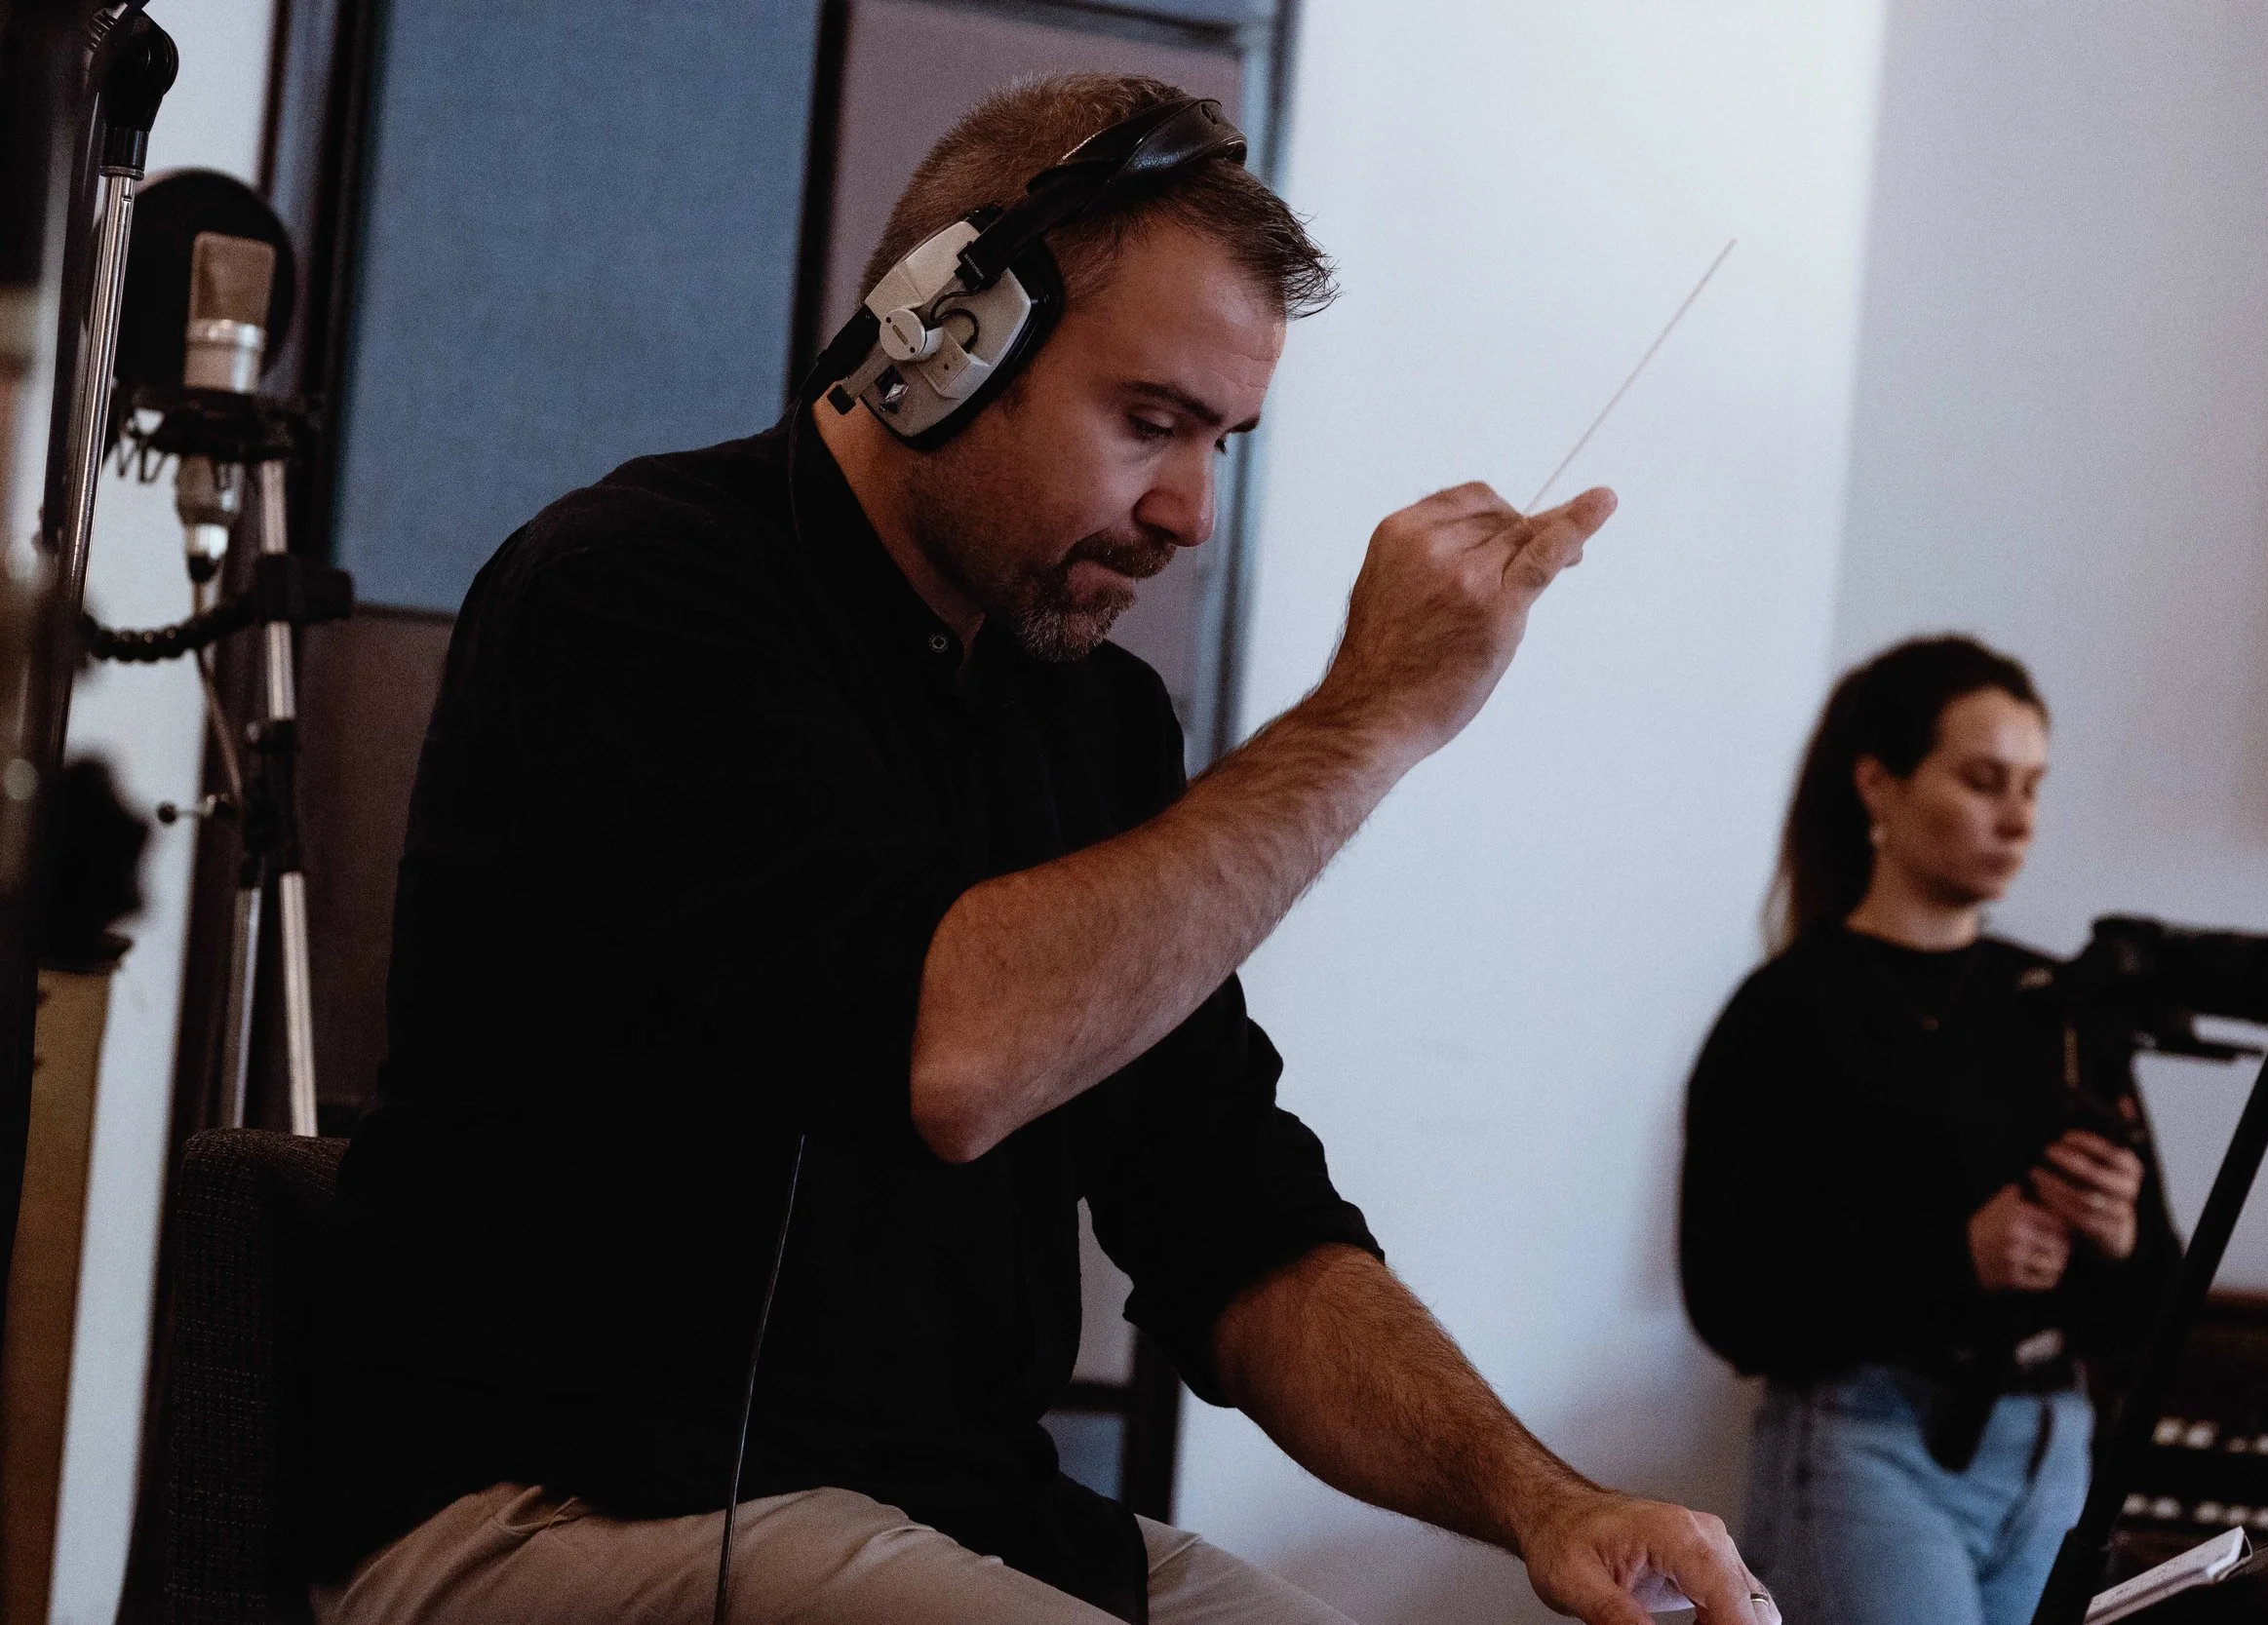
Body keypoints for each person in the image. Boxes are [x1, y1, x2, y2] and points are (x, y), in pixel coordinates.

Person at [306, 73, 1770, 1625]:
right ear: (937, 346)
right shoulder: (629, 596)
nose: (1194, 511)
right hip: (561, 1512)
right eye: (1151, 423)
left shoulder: (1097, 722)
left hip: (970, 1517)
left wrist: (1548, 1502)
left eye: (1226, 441)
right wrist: (1366, 721)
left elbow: (1236, 1222)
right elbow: (949, 1052)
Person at [1678, 636, 2180, 1625]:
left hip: (2054, 1451)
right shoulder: (1787, 1008)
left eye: (2033, 785)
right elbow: (1730, 1299)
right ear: (1879, 784)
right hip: (1868, 1444)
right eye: (1984, 780)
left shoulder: (2062, 1005)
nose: (2018, 816)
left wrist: (2121, 1238)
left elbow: (2150, 1309)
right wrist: (1957, 1257)